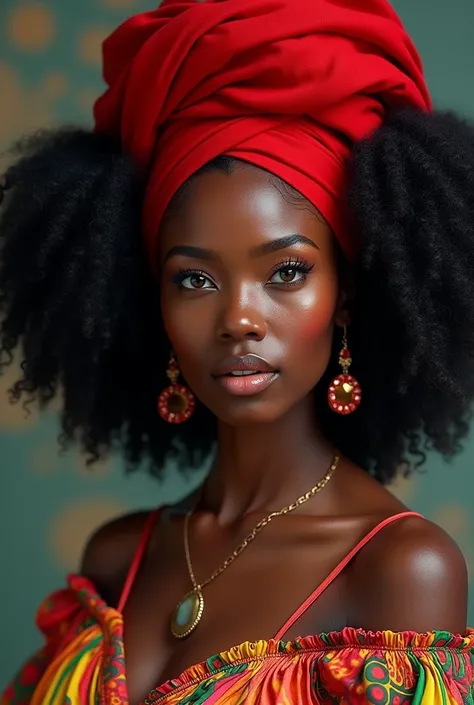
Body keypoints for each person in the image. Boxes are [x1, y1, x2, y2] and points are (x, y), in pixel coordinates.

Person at [1, 0, 474, 702]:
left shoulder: (401, 568)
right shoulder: (115, 559)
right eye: (194, 278)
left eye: (286, 271)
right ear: (152, 301)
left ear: (345, 292)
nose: (238, 319)